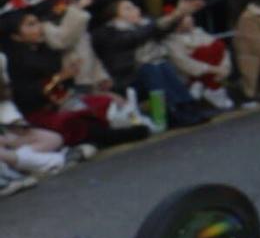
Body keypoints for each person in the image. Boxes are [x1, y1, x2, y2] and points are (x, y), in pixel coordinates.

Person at [6, 10, 153, 148]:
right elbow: (26, 94)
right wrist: (59, 77)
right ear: (16, 36)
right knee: (73, 122)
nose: (39, 28)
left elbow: (65, 84)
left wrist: (70, 73)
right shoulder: (15, 62)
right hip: (41, 112)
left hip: (65, 101)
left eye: (37, 22)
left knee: (104, 102)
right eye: (30, 25)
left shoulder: (45, 51)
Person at [90, 0, 215, 127]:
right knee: (150, 68)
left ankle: (189, 107)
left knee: (161, 65)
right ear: (115, 16)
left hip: (152, 72)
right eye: (128, 8)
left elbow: (163, 28)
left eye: (134, 6)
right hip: (127, 79)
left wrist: (181, 13)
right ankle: (172, 111)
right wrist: (175, 14)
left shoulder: (144, 24)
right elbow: (135, 37)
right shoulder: (107, 33)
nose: (135, 10)